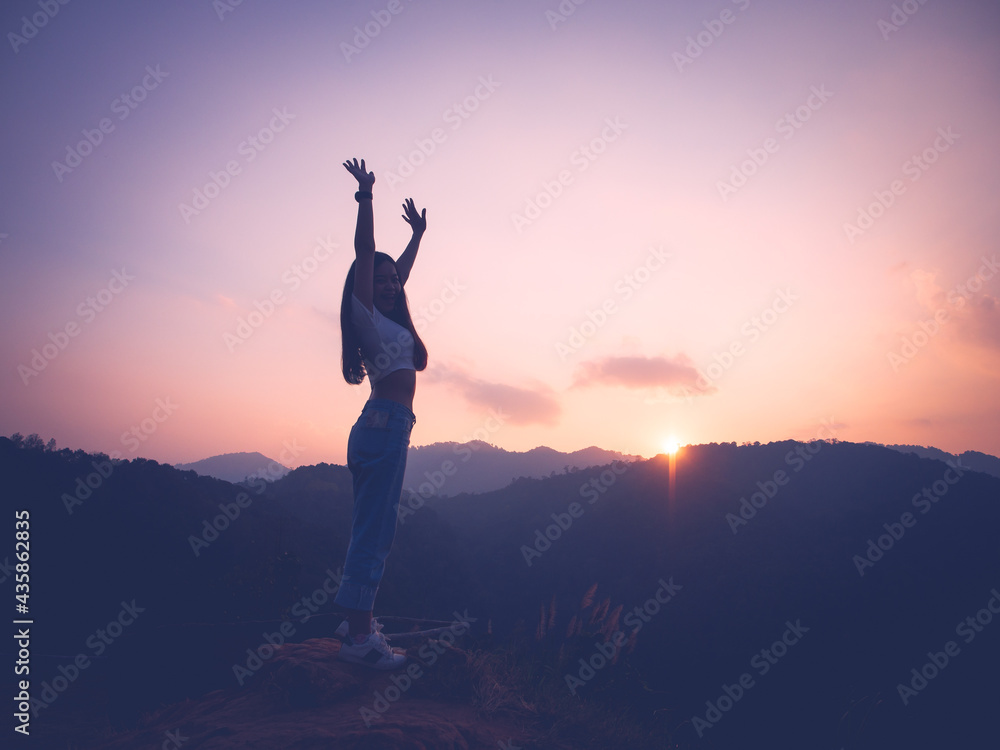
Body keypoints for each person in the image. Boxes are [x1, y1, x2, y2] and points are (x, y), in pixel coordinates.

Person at [333, 157, 428, 669]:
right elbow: (365, 251)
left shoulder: (386, 316)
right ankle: (360, 642)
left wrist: (416, 237)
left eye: (395, 280)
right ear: (364, 284)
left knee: (367, 526)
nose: (391, 284)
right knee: (376, 530)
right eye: (382, 279)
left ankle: (354, 621)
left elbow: (400, 271)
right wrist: (366, 196)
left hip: (382, 426)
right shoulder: (363, 314)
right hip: (385, 427)